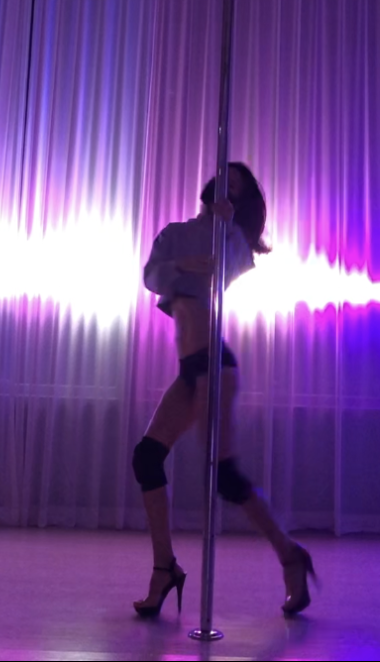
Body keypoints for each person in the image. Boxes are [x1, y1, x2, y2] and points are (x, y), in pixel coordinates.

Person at [131, 162, 315, 618]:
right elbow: (151, 276)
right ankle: (164, 568)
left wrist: (227, 228)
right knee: (147, 458)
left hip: (215, 363)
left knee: (225, 477)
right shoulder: (175, 233)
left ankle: (290, 555)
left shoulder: (231, 242)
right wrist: (182, 264)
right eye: (223, 180)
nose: (225, 188)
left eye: (236, 187)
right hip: (189, 367)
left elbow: (230, 270)